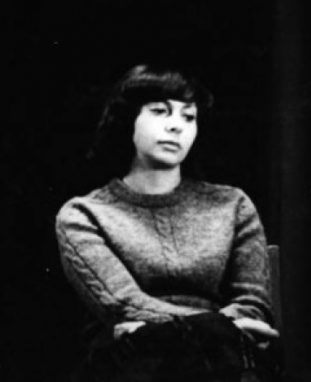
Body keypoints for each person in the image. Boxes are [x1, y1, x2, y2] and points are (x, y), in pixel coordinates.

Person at [55, 65, 280, 381]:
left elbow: (252, 303)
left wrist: (196, 333)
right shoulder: (84, 214)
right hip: (133, 362)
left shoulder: (232, 204)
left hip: (224, 362)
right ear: (128, 120)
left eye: (188, 117)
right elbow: (125, 305)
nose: (176, 126)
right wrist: (220, 329)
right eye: (160, 111)